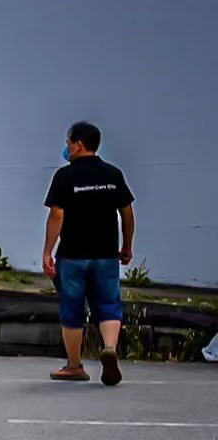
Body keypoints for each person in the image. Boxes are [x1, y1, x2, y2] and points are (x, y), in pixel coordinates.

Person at [41, 121, 136, 385]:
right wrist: (126, 246)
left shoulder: (64, 176)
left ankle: (74, 366)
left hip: (72, 255)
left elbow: (57, 214)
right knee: (108, 305)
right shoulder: (113, 174)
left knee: (72, 308)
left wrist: (48, 252)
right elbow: (127, 213)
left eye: (69, 142)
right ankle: (108, 348)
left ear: (78, 144)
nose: (66, 147)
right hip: (106, 255)